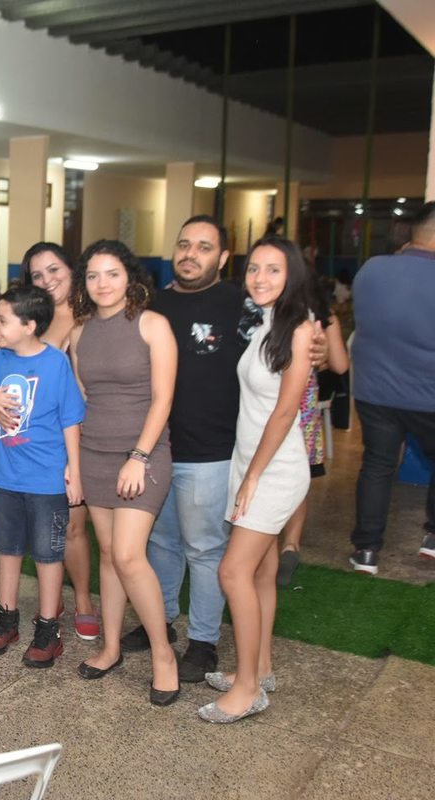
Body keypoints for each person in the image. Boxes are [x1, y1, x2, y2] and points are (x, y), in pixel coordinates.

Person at [121, 215, 246, 684]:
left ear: (223, 257)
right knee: (161, 542)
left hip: (210, 450)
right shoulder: (153, 303)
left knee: (205, 548)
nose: (191, 254)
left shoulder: (239, 303)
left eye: (204, 247)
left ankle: (204, 641)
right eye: (184, 244)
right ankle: (163, 619)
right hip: (155, 449)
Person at [197, 236, 313, 724]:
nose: (260, 278)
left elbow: (286, 411)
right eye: (254, 269)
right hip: (251, 463)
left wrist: (253, 477)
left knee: (232, 572)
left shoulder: (300, 329)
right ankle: (260, 668)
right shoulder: (265, 321)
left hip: (275, 470)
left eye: (273, 270)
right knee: (261, 573)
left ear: (292, 276)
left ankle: (247, 691)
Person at [69, 239, 179, 706]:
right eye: (93, 275)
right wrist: (74, 462)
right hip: (95, 454)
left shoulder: (153, 325)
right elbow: (82, 398)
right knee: (110, 555)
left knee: (131, 556)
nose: (102, 284)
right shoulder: (79, 332)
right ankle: (111, 648)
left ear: (130, 277)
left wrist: (139, 455)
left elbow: (163, 398)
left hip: (143, 455)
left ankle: (163, 656)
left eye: (112, 273)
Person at [0, 286, 84, 667]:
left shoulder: (56, 363)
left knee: (48, 554)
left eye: (3, 321)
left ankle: (48, 629)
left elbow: (70, 420)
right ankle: (6, 619)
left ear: (30, 326)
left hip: (46, 479)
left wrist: (74, 471)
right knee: (8, 548)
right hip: (7, 475)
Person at [347, 200, 435, 573]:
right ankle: (433, 539)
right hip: (428, 395)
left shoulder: (371, 269)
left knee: (378, 465)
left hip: (374, 391)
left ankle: (366, 551)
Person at [23, 241, 98, 638]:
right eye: (37, 275)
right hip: (40, 442)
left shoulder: (92, 316)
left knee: (73, 526)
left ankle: (84, 599)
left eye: (54, 270)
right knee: (46, 526)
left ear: (72, 269)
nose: (47, 280)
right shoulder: (33, 321)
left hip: (81, 436)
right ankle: (54, 599)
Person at [277, 273, 349, 586]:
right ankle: (290, 545)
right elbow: (341, 365)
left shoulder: (266, 310)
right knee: (298, 476)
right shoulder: (322, 313)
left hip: (265, 402)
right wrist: (319, 360)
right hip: (303, 408)